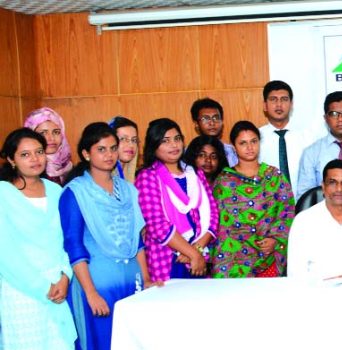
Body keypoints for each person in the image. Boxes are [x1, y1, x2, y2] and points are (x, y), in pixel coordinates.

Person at [60, 123, 155, 350]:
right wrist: (91, 293)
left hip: (132, 283)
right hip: (98, 283)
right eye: (101, 149)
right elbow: (73, 246)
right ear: (85, 154)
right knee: (103, 342)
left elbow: (137, 241)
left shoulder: (128, 190)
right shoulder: (76, 193)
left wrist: (147, 279)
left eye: (113, 148)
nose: (109, 155)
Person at [0, 128, 77, 349]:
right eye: (25, 154)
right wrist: (41, 286)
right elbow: (5, 252)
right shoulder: (3, 194)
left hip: (57, 286)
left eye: (39, 151)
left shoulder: (56, 191)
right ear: (10, 159)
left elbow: (67, 240)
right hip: (21, 290)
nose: (35, 159)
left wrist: (65, 276)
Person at [135, 118, 217, 282]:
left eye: (177, 139)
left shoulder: (195, 173)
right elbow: (157, 226)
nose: (174, 145)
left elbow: (213, 213)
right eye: (166, 141)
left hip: (200, 257)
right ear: (154, 145)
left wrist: (197, 250)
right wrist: (192, 253)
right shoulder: (147, 177)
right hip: (168, 260)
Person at [211, 121, 294, 278]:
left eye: (253, 141)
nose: (249, 147)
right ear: (234, 147)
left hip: (267, 255)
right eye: (243, 143)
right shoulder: (224, 181)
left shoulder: (274, 177)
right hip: (233, 259)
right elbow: (218, 223)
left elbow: (287, 212)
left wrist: (275, 239)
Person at [258, 80, 309, 188]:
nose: (279, 105)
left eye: (284, 99)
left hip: (303, 202)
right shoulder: (256, 139)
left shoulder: (306, 137)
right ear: (265, 106)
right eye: (273, 99)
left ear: (291, 104)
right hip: (268, 202)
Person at [24, 107, 73, 185]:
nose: (51, 138)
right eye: (43, 133)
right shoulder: (27, 168)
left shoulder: (69, 167)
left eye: (56, 132)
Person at [190, 97, 238, 166]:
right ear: (196, 124)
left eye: (216, 118)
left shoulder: (231, 151)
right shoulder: (190, 152)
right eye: (205, 119)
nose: (212, 123)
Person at [108, 116, 140, 183]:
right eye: (123, 139)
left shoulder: (137, 179)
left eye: (134, 140)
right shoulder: (99, 178)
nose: (131, 145)